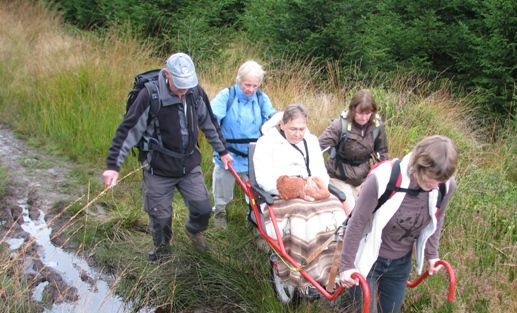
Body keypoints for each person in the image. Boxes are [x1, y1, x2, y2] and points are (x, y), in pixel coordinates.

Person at [337, 135, 457, 313]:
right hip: (369, 259)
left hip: (400, 263)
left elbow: (437, 218)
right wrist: (346, 265)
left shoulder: (445, 186)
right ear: (418, 166)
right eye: (430, 179)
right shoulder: (383, 179)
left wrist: (432, 255)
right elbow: (358, 221)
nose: (434, 185)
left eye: (439, 181)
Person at [102, 52, 232, 261]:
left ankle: (193, 230)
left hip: (189, 165)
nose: (184, 90)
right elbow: (127, 131)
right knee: (160, 217)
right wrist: (113, 165)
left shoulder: (195, 92)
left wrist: (223, 151)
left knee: (203, 209)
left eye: (188, 84)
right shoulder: (149, 95)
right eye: (180, 84)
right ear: (166, 75)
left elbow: (209, 123)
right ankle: (162, 249)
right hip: (158, 168)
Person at [253, 104, 347, 291]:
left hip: (310, 188)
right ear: (282, 125)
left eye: (301, 129)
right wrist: (296, 188)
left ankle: (333, 271)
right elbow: (263, 179)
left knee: (338, 214)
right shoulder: (266, 143)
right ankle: (304, 276)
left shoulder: (310, 141)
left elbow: (321, 171)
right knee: (304, 219)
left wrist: (316, 184)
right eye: (293, 129)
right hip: (281, 193)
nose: (297, 134)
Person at [210, 60, 276, 228]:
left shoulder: (261, 99)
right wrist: (221, 149)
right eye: (247, 85)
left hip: (253, 156)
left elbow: (272, 118)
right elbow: (211, 121)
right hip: (228, 154)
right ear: (239, 80)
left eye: (255, 85)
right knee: (222, 190)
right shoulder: (227, 96)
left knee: (256, 191)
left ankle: (254, 218)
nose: (251, 90)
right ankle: (220, 212)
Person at [319, 89, 389, 211]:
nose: (364, 117)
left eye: (368, 113)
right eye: (360, 113)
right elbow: (318, 146)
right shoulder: (340, 125)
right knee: (351, 212)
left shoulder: (377, 127)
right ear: (352, 109)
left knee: (372, 210)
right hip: (338, 176)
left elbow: (382, 152)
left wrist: (382, 176)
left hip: (363, 177)